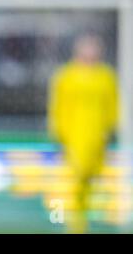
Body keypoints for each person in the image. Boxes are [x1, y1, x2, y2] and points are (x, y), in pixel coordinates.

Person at [47, 35, 118, 233]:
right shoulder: (66, 76)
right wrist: (59, 133)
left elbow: (112, 105)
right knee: (73, 179)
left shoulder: (106, 76)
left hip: (97, 136)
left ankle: (85, 219)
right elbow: (58, 106)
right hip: (73, 136)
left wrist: (110, 128)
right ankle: (72, 223)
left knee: (92, 178)